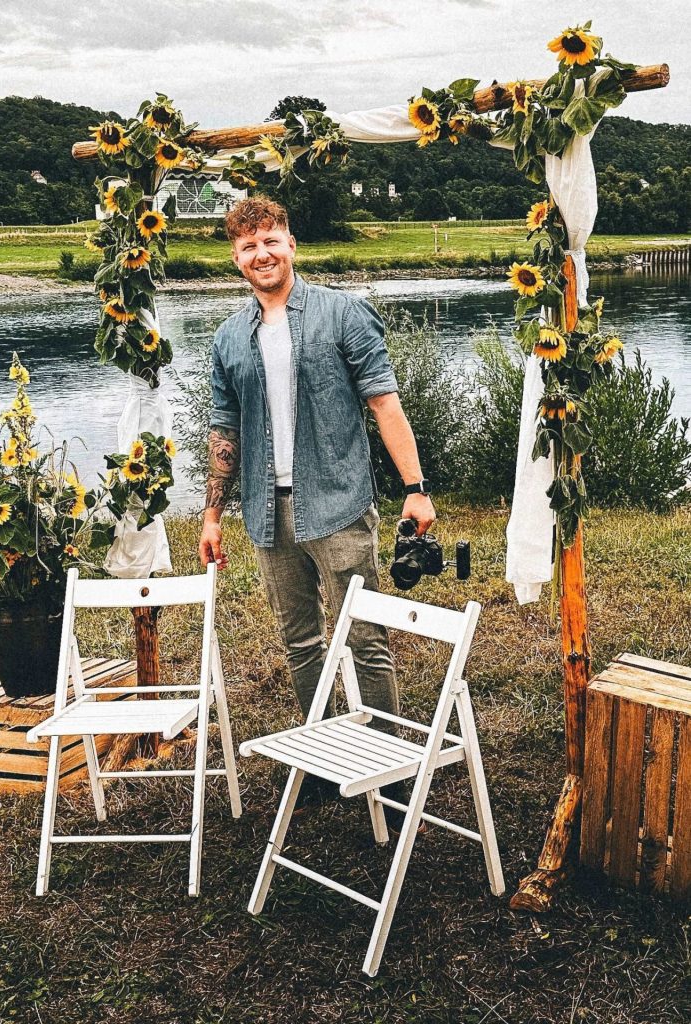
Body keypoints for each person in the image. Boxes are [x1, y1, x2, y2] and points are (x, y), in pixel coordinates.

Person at [198, 196, 435, 801]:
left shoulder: (343, 315)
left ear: (291, 243)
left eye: (270, 240)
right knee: (299, 640)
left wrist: (415, 489)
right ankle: (323, 759)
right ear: (236, 258)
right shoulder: (229, 339)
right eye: (248, 246)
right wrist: (212, 514)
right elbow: (224, 431)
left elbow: (384, 404)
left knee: (365, 637)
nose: (262, 254)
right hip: (265, 514)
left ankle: (392, 760)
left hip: (337, 503)